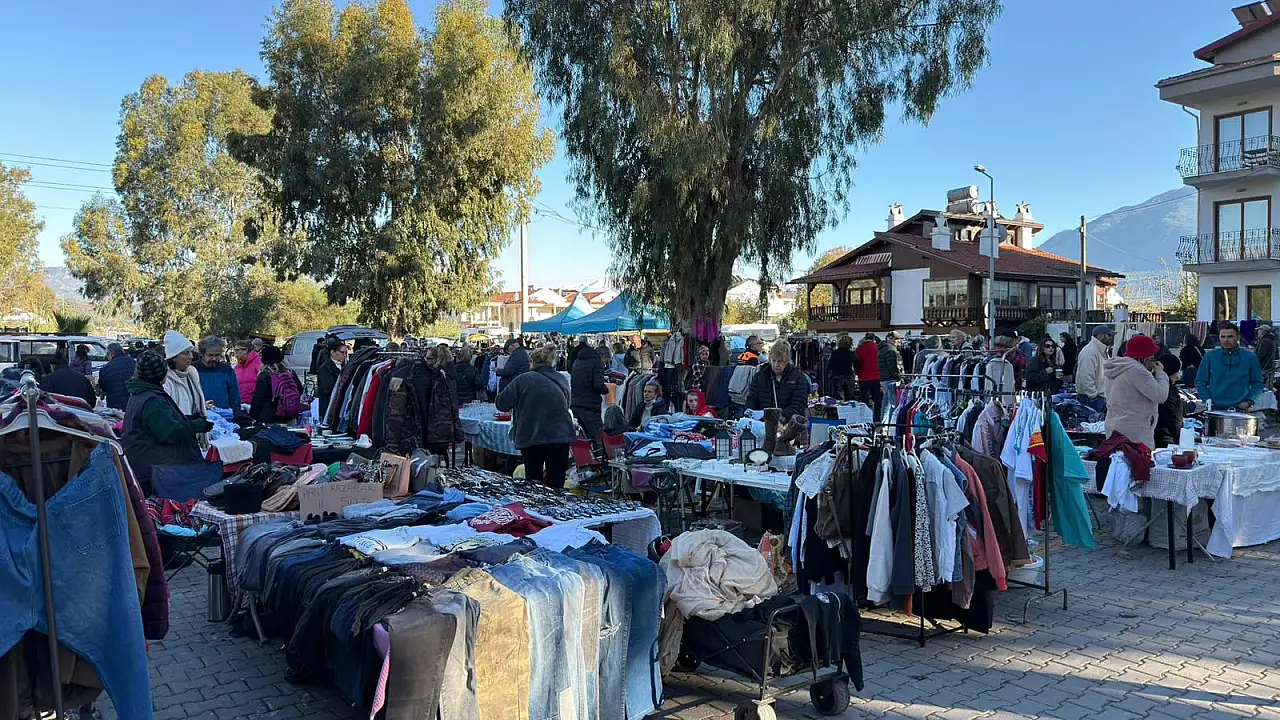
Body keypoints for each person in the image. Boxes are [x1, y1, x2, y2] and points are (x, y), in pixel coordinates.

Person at [122, 351, 213, 495]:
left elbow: (161, 422)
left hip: (149, 466)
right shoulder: (152, 399)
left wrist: (188, 419)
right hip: (157, 472)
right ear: (161, 374)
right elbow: (170, 432)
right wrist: (198, 425)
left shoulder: (141, 393)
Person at [496, 343, 577, 488]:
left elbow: (501, 404)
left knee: (534, 484)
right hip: (560, 436)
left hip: (532, 436)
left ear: (532, 361)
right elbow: (567, 404)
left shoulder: (523, 379)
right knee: (557, 484)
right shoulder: (562, 379)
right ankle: (556, 502)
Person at [1102, 335, 1169, 450]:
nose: (1153, 358)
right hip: (1135, 431)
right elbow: (1161, 395)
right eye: (1151, 356)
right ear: (1144, 356)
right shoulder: (1138, 371)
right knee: (1138, 460)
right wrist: (1160, 373)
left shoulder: (1117, 368)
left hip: (1114, 425)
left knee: (1118, 459)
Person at [1197, 322, 1264, 411]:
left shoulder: (1250, 357)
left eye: (1230, 336)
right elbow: (1200, 381)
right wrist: (1207, 400)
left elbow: (1258, 383)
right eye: (1223, 337)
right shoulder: (1209, 356)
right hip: (1215, 408)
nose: (1226, 340)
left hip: (1240, 409)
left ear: (1238, 337)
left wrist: (1249, 401)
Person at [415, 346, 464, 456]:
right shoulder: (449, 373)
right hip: (443, 422)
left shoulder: (438, 375)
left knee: (433, 453)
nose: (425, 361)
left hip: (434, 422)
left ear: (436, 359)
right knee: (440, 453)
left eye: (428, 358)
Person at [746, 340, 809, 421]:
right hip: (762, 423)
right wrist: (750, 412)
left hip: (788, 423)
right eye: (773, 360)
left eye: (780, 361)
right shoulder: (759, 376)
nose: (776, 365)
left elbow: (799, 404)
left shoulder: (798, 377)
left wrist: (782, 417)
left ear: (787, 361)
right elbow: (751, 399)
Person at [249, 345, 304, 423]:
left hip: (271, 418)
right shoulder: (290, 373)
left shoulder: (264, 376)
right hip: (291, 416)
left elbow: (258, 400)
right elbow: (300, 390)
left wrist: (253, 416)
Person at [570, 344, 609, 454]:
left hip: (576, 403)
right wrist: (607, 389)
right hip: (590, 405)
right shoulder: (597, 363)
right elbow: (598, 386)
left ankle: (586, 460)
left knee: (583, 439)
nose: (606, 363)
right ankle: (599, 461)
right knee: (598, 439)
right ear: (603, 357)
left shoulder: (577, 361)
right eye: (606, 360)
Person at [162, 330, 206, 418]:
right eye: (186, 353)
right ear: (174, 357)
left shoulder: (192, 374)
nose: (191, 356)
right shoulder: (166, 381)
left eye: (191, 352)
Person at [1074, 324, 1114, 414]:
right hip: (1092, 399)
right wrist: (1093, 396)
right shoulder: (1090, 352)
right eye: (1109, 335)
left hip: (1098, 397)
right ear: (1100, 336)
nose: (1111, 338)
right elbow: (1085, 377)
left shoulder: (1101, 351)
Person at [194, 336, 240, 411]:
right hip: (201, 413)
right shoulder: (193, 370)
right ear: (202, 354)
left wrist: (236, 412)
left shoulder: (227, 370)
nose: (214, 359)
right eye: (210, 355)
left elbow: (234, 396)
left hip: (225, 414)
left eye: (217, 355)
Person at [1154, 354, 1184, 449]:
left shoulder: (1156, 385)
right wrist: (1176, 437)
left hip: (1161, 436)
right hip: (1165, 439)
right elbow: (1170, 416)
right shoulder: (1168, 390)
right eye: (1178, 370)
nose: (1180, 374)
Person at [315, 337, 347, 419]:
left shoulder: (344, 366)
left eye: (346, 353)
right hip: (328, 409)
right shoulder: (325, 368)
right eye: (342, 352)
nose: (344, 355)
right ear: (333, 352)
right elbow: (329, 389)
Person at [98, 342, 136, 411]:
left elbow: (103, 386)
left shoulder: (105, 368)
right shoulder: (134, 363)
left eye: (107, 355)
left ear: (111, 354)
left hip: (114, 404)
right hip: (133, 402)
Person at [855, 333, 882, 416]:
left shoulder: (859, 349)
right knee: (877, 399)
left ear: (865, 339)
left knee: (865, 400)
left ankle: (865, 417)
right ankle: (877, 417)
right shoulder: (878, 348)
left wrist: (857, 373)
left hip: (864, 377)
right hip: (877, 376)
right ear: (874, 339)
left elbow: (857, 364)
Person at [877, 331, 904, 409]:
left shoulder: (882, 349)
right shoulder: (891, 350)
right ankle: (891, 417)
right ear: (890, 339)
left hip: (884, 378)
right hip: (891, 380)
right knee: (892, 405)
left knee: (886, 404)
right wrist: (900, 378)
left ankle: (884, 417)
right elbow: (893, 367)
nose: (899, 341)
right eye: (896, 339)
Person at [827, 335, 857, 401]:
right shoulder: (851, 353)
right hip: (848, 376)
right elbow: (856, 363)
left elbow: (830, 365)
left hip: (837, 376)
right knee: (849, 397)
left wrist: (829, 373)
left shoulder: (835, 353)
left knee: (839, 398)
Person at [233, 340, 263, 405]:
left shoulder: (258, 362)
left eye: (237, 350)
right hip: (241, 405)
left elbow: (263, 383)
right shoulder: (237, 368)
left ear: (246, 350)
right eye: (234, 351)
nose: (235, 353)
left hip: (256, 405)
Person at [1255, 324, 1277, 391]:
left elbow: (1261, 354)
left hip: (1263, 366)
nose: (1258, 332)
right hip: (1269, 366)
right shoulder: (1272, 339)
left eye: (1259, 330)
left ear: (1263, 331)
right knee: (1269, 386)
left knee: (1262, 386)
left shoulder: (1264, 341)